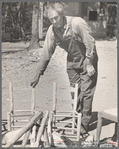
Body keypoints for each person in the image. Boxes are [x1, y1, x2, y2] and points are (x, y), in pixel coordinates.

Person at [31, 2, 98, 143]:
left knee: (86, 94)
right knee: (75, 93)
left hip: (87, 59)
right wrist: (38, 72)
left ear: (62, 15)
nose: (54, 21)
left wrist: (90, 63)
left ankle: (83, 127)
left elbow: (90, 43)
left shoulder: (77, 23)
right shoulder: (52, 30)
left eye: (56, 18)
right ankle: (76, 121)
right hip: (72, 62)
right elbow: (46, 52)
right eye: (51, 19)